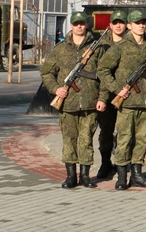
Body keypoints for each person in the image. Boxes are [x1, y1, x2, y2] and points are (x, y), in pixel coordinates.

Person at [40, 11, 107, 189]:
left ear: (86, 25)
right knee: (69, 140)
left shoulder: (97, 48)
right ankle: (71, 176)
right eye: (76, 23)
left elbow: (104, 76)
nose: (79, 26)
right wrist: (56, 89)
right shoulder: (60, 50)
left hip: (89, 103)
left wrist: (102, 98)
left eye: (82, 23)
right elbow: (46, 73)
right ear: (71, 25)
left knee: (86, 140)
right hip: (68, 104)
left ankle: (85, 176)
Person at [97, 10, 146, 190]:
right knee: (124, 139)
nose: (141, 25)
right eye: (137, 22)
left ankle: (137, 174)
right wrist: (117, 89)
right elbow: (103, 69)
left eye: (143, 22)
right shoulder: (120, 47)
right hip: (127, 102)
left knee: (141, 140)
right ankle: (122, 176)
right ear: (129, 25)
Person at [94, 9, 128, 180]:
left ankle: (123, 164)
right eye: (115, 22)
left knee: (125, 132)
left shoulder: (132, 43)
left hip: (127, 95)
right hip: (106, 96)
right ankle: (105, 163)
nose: (118, 25)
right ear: (110, 25)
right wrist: (101, 97)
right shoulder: (102, 46)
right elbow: (99, 73)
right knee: (106, 131)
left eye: (121, 22)